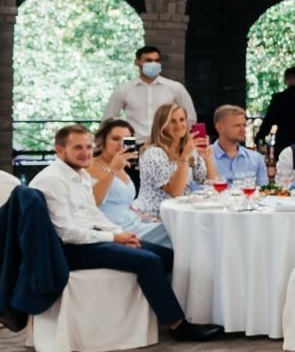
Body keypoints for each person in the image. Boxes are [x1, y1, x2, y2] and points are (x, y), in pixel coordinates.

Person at [29, 123, 223, 341]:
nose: (85, 153)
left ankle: (152, 311)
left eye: (88, 147)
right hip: (68, 249)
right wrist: (113, 237)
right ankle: (178, 326)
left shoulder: (79, 174)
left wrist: (121, 235)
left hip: (90, 238)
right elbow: (68, 233)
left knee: (166, 254)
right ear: (60, 150)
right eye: (77, 148)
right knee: (149, 261)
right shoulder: (53, 180)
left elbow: (93, 214)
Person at [131, 102, 212, 245]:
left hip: (180, 216)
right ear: (162, 126)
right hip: (154, 218)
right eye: (172, 121)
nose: (179, 125)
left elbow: (211, 183)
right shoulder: (153, 153)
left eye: (182, 119)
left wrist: (207, 158)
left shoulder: (188, 149)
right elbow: (175, 192)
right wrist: (185, 157)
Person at [103, 45, 193, 139]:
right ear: (137, 62)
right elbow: (108, 120)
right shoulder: (124, 90)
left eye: (157, 60)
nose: (153, 64)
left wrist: (181, 140)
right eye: (149, 60)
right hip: (135, 143)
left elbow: (190, 118)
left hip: (166, 142)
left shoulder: (175, 88)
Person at [257, 66, 295, 166]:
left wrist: (259, 138)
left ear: (285, 80)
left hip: (283, 145)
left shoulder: (278, 99)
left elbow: (268, 122)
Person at [88, 119, 137, 230]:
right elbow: (90, 202)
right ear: (103, 140)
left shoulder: (121, 166)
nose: (121, 144)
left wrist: (146, 218)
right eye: (115, 139)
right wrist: (113, 169)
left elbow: (125, 203)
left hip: (134, 223)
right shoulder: (91, 165)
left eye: (126, 140)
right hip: (117, 229)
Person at [206, 105, 269, 190]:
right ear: (219, 127)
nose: (243, 129)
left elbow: (264, 192)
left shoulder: (256, 158)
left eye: (244, 125)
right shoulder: (204, 156)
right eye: (237, 125)